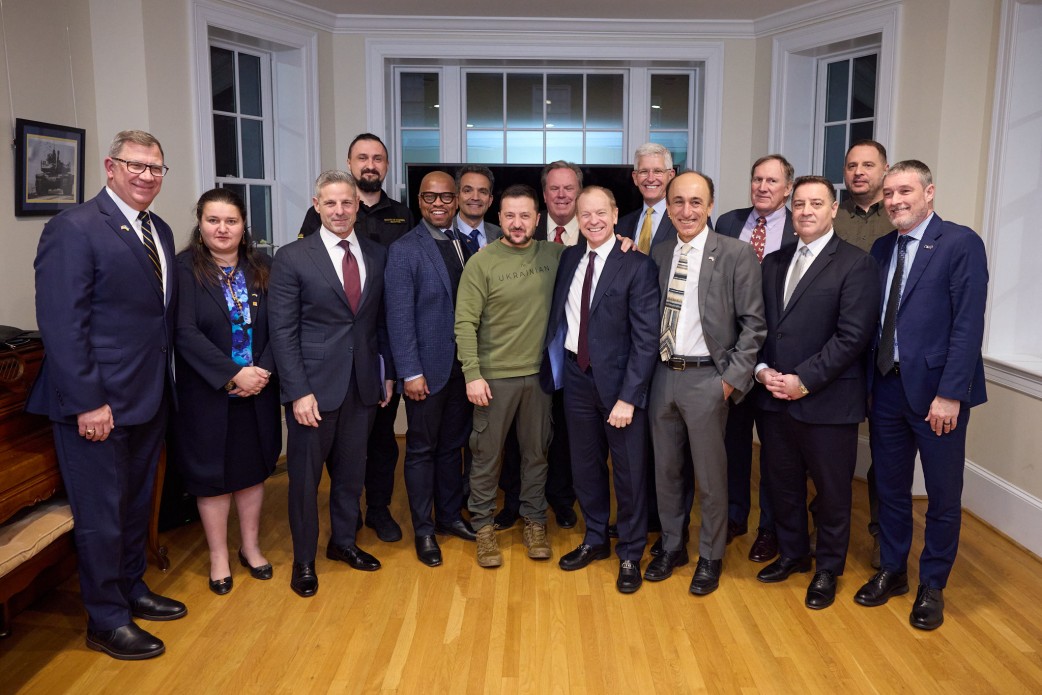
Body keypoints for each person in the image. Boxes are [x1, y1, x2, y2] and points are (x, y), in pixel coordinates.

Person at [27, 129, 185, 660]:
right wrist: (88, 402)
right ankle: (106, 619)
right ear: (110, 167)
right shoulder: (74, 227)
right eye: (135, 165)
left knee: (135, 507)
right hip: (97, 406)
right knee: (102, 516)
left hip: (148, 397)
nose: (146, 175)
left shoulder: (159, 229)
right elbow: (61, 324)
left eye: (155, 167)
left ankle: (132, 588)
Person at [854, 160, 988, 631]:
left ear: (929, 192)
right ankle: (893, 570)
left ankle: (932, 584)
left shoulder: (960, 243)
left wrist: (951, 394)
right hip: (887, 388)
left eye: (905, 191)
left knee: (942, 495)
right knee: (890, 488)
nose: (895, 201)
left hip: (937, 395)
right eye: (889, 193)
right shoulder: (882, 247)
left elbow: (968, 325)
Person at [752, 176, 879, 609]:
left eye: (816, 203)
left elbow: (852, 337)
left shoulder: (856, 264)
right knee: (782, 483)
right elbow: (761, 327)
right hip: (774, 398)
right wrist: (762, 370)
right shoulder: (773, 262)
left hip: (827, 401)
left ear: (834, 209)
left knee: (832, 492)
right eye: (801, 204)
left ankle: (827, 568)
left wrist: (802, 380)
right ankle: (793, 554)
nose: (806, 211)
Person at [269, 170, 396, 597]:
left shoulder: (377, 254)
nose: (339, 211)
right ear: (316, 205)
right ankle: (304, 560)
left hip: (362, 385)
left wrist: (386, 373)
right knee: (305, 482)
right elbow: (282, 332)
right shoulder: (292, 257)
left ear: (357, 206)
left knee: (351, 474)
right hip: (313, 390)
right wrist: (297, 392)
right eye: (330, 203)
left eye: (346, 203)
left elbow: (380, 322)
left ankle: (343, 542)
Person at [645, 171, 766, 595]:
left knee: (711, 478)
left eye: (696, 202)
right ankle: (672, 546)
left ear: (711, 206)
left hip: (708, 380)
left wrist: (730, 381)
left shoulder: (735, 253)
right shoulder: (660, 253)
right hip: (662, 376)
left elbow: (754, 325)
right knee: (666, 471)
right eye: (678, 202)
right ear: (668, 207)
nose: (687, 211)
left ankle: (711, 556)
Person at [543, 186, 659, 594]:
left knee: (628, 472)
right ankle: (595, 538)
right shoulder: (570, 258)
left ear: (615, 214)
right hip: (576, 377)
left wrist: (629, 397)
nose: (593, 220)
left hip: (620, 385)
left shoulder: (637, 265)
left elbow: (646, 339)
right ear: (577, 218)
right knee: (585, 465)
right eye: (585, 214)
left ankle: (630, 551)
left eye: (600, 213)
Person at [297, 133, 412, 543]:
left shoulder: (403, 214)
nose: (370, 164)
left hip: (378, 350)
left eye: (378, 158)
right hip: (331, 358)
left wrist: (391, 366)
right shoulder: (323, 214)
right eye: (362, 157)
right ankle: (347, 516)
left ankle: (378, 509)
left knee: (381, 441)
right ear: (349, 163)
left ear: (386, 165)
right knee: (339, 448)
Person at [171, 188, 281, 595]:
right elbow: (184, 332)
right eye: (213, 220)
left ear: (243, 225)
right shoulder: (183, 270)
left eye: (231, 221)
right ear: (200, 223)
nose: (222, 228)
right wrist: (233, 374)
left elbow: (281, 326)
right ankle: (218, 555)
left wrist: (262, 371)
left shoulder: (263, 267)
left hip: (259, 390)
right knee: (211, 476)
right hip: (208, 393)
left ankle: (250, 547)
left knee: (252, 471)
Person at [455, 184, 562, 568]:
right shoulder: (481, 263)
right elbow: (465, 323)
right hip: (493, 379)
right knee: (486, 457)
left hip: (538, 378)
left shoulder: (555, 255)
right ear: (498, 218)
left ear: (537, 219)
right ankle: (483, 527)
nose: (517, 223)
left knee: (536, 455)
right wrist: (472, 374)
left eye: (525, 216)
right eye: (510, 215)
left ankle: (535, 521)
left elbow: (598, 256)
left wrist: (625, 242)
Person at [385, 171, 477, 567]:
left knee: (453, 447)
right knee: (422, 450)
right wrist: (410, 372)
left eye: (445, 197)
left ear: (456, 201)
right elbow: (399, 316)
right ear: (419, 201)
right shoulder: (405, 249)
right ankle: (424, 530)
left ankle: (449, 517)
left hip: (462, 369)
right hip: (426, 370)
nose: (438, 204)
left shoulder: (465, 245)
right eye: (429, 197)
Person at [713, 154, 797, 563]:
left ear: (788, 188)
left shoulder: (800, 227)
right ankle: (734, 515)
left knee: (776, 450)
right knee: (733, 441)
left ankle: (770, 528)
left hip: (778, 355)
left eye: (772, 181)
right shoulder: (728, 222)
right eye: (757, 179)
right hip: (734, 352)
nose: (763, 187)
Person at [498, 162, 581, 531]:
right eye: (554, 188)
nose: (561, 195)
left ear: (579, 192)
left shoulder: (598, 231)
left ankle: (561, 499)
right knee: (518, 437)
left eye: (569, 188)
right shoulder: (523, 230)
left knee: (565, 433)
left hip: (574, 355)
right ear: (543, 195)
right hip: (528, 354)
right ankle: (513, 501)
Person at [833, 139, 893, 569]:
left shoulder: (900, 216)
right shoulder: (832, 215)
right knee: (829, 447)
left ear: (884, 169)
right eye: (852, 165)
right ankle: (824, 523)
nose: (859, 172)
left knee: (885, 452)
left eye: (868, 165)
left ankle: (881, 533)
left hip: (884, 351)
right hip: (838, 348)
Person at [616, 143, 677, 253]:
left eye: (657, 171)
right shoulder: (622, 225)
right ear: (635, 177)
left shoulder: (685, 220)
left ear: (671, 176)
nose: (650, 179)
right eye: (644, 171)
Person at [454, 165, 502, 251]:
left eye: (482, 192)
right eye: (468, 191)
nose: (475, 197)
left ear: (490, 200)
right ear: (457, 197)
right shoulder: (443, 232)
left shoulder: (501, 235)